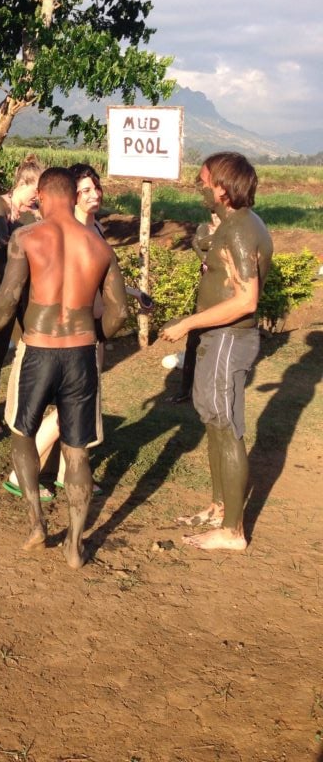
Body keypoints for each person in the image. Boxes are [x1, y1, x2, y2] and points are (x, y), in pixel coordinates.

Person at [0, 167, 128, 566]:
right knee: (77, 453)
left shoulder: (27, 237)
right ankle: (75, 545)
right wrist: (96, 334)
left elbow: (7, 299)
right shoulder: (98, 246)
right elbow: (119, 312)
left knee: (22, 432)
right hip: (80, 352)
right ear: (72, 196)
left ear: (42, 195)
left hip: (39, 349)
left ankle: (37, 524)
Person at [159, 152, 273, 551]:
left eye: (204, 181)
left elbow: (246, 300)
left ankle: (233, 531)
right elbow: (214, 257)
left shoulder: (242, 229)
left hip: (228, 339)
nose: (199, 186)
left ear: (222, 188)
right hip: (217, 339)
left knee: (227, 430)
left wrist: (187, 324)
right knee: (214, 423)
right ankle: (220, 506)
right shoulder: (231, 224)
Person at [0, 155, 42, 434]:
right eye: (35, 192)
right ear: (22, 183)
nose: (37, 198)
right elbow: (1, 234)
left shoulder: (34, 212)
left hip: (28, 289)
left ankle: (26, 406)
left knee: (34, 346)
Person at [167, 213, 219, 404]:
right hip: (204, 294)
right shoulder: (204, 229)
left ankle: (209, 391)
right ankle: (185, 389)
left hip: (222, 296)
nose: (216, 215)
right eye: (213, 212)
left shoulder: (231, 231)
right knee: (193, 343)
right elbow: (198, 245)